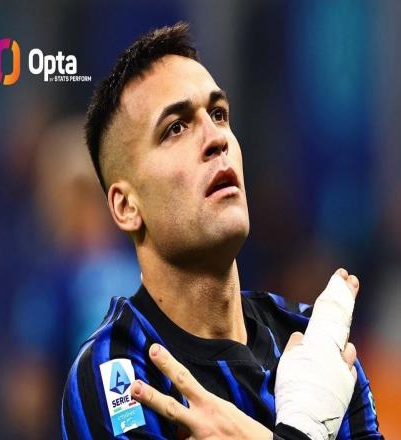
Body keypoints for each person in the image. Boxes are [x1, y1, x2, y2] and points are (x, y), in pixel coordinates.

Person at [61, 22, 383, 440]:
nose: (217, 139)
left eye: (218, 114)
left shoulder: (313, 342)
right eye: (176, 128)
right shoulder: (116, 371)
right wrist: (301, 430)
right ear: (126, 206)